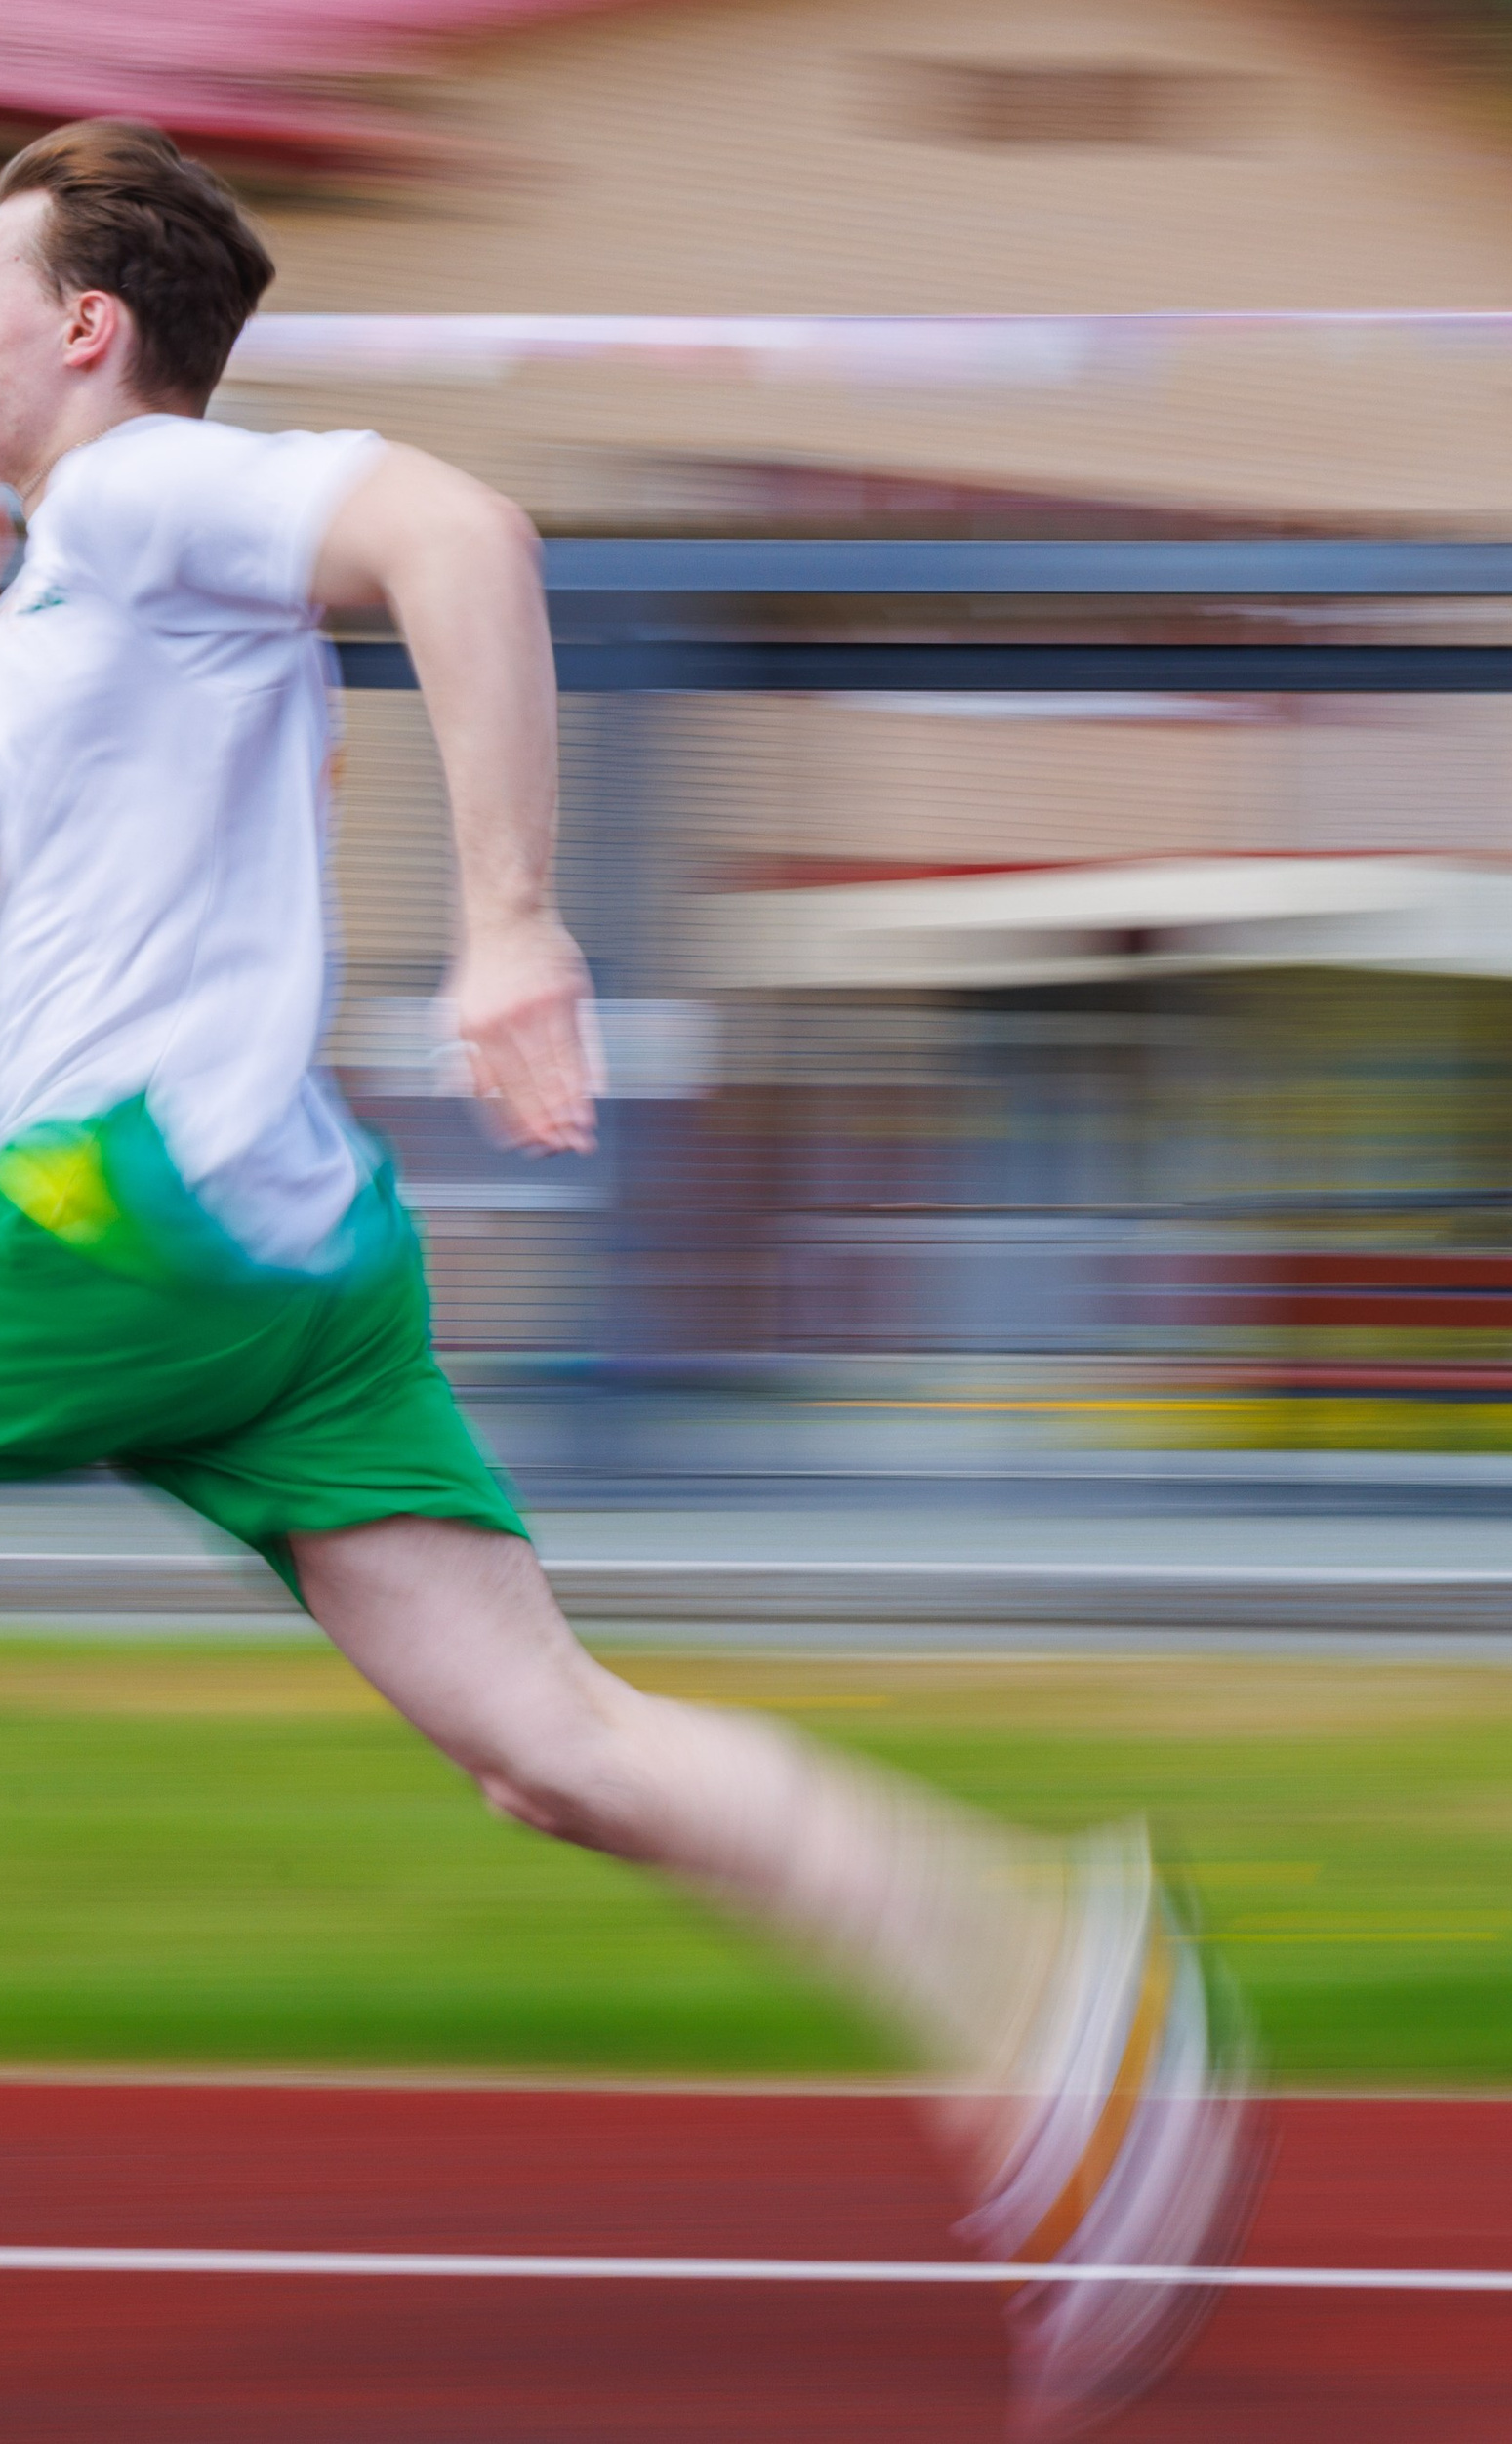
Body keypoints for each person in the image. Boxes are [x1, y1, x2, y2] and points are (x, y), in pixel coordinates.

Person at [0, 117, 1256, 2438]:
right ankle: (1070, 1997)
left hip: (118, 1218)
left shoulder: (125, 493)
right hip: (287, 1248)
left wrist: (506, 913)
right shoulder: (82, 590)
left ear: (87, 324)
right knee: (559, 1754)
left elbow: (458, 525)